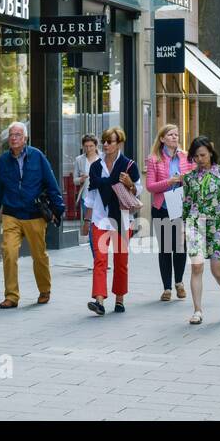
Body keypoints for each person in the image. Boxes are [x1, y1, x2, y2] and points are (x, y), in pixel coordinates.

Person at [0, 121, 64, 309]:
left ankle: (44, 289)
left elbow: (51, 182)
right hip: (11, 214)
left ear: (25, 138)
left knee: (39, 255)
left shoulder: (37, 157)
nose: (13, 138)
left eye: (18, 135)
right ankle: (11, 296)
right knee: (9, 252)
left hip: (34, 214)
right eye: (11, 135)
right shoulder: (3, 161)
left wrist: (58, 208)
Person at [180, 137, 220, 324]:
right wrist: (183, 226)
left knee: (217, 270)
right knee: (196, 267)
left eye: (203, 155)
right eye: (195, 156)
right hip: (195, 225)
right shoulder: (189, 178)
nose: (199, 159)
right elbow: (187, 203)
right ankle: (197, 310)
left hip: (217, 225)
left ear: (211, 153)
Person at [86, 126, 139, 316]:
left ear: (119, 143)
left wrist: (130, 184)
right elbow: (91, 194)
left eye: (110, 141)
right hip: (100, 218)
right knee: (100, 259)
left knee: (120, 260)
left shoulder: (129, 165)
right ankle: (99, 300)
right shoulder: (95, 166)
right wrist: (87, 219)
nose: (106, 145)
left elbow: (137, 191)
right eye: (105, 141)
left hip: (122, 219)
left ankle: (119, 298)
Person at [145, 124, 192, 302]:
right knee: (165, 249)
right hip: (162, 208)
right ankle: (166, 288)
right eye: (171, 135)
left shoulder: (185, 157)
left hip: (180, 207)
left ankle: (179, 283)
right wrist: (169, 181)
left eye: (176, 135)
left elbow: (193, 177)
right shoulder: (154, 159)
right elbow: (150, 186)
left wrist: (184, 179)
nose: (174, 137)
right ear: (162, 138)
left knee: (180, 246)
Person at [71, 135, 100, 268]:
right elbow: (74, 180)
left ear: (96, 146)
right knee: (91, 229)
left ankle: (101, 258)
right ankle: (97, 260)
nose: (88, 149)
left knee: (102, 229)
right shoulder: (79, 160)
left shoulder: (103, 158)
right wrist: (81, 179)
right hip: (86, 199)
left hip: (101, 199)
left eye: (91, 146)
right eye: (86, 146)